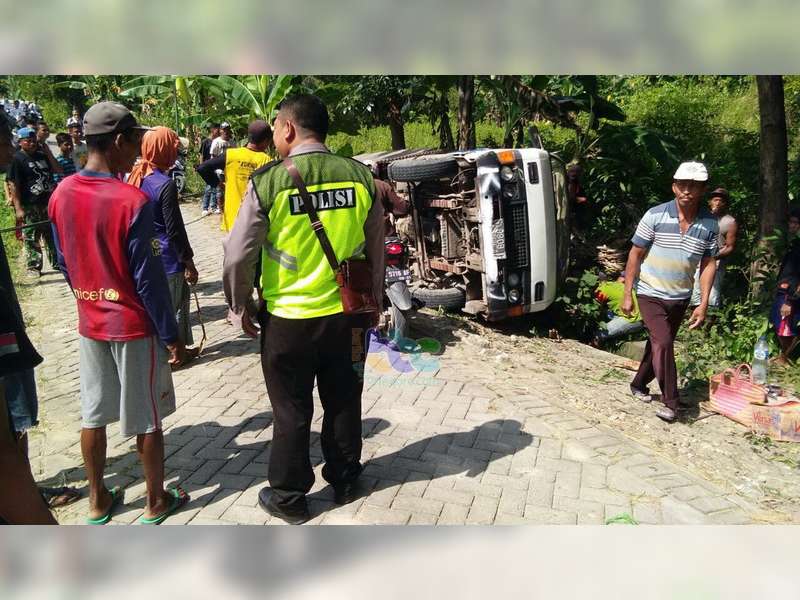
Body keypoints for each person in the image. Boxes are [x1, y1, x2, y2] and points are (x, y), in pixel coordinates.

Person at [222, 94, 384, 524]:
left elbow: (238, 256)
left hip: (288, 322)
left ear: (288, 129)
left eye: (277, 126)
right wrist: (376, 301)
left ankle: (290, 498)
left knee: (292, 410)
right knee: (345, 398)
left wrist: (240, 305)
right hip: (349, 319)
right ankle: (345, 479)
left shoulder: (269, 182)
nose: (276, 133)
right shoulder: (360, 176)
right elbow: (375, 248)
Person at [48, 101, 189, 525]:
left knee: (93, 413)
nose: (137, 151)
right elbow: (148, 280)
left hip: (90, 321)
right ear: (117, 141)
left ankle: (97, 500)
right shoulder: (131, 200)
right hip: (132, 325)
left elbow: (63, 261)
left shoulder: (61, 193)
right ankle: (156, 501)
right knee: (147, 418)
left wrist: (89, 296)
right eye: (134, 142)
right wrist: (171, 334)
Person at [622, 161, 719, 422]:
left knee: (658, 345)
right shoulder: (655, 215)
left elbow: (708, 264)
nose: (687, 190)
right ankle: (671, 403)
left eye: (694, 186)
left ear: (703, 190)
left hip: (680, 296)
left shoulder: (710, 224)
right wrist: (627, 293)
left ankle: (638, 384)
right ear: (674, 187)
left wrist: (703, 302)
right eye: (683, 185)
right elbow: (635, 254)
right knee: (664, 343)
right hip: (650, 293)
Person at [0, 119, 59, 525]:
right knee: (13, 423)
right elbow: (15, 187)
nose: (10, 146)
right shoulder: (19, 163)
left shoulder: (37, 155)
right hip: (4, 338)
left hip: (9, 328)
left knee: (16, 420)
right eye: (5, 139)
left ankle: (28, 485)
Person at [127, 126, 200, 362]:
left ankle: (175, 350)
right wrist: (188, 262)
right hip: (167, 256)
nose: (176, 153)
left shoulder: (135, 177)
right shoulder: (164, 184)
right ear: (164, 149)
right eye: (174, 148)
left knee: (157, 306)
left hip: (144, 255)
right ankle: (173, 353)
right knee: (174, 305)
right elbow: (174, 229)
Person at [196, 119, 273, 232]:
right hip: (254, 223)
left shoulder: (231, 154)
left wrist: (218, 184)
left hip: (232, 221)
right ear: (266, 141)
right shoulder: (267, 161)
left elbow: (202, 168)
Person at [6, 126, 58, 276]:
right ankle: (33, 266)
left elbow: (57, 169)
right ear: (20, 142)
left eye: (34, 140)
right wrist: (18, 208)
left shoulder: (42, 156)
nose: (32, 143)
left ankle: (57, 262)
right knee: (31, 235)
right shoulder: (17, 159)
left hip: (47, 201)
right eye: (28, 141)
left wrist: (48, 152)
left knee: (51, 233)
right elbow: (13, 184)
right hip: (30, 204)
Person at [690, 187, 738, 309]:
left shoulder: (730, 222)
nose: (717, 203)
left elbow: (730, 247)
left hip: (716, 264)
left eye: (721, 201)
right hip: (697, 262)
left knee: (711, 299)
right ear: (710, 202)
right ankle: (695, 319)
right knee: (695, 298)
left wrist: (713, 257)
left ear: (725, 203)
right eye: (715, 200)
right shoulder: (702, 218)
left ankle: (710, 320)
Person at [770, 209, 800, 365]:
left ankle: (785, 358)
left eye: (796, 223)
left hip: (791, 293)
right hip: (784, 290)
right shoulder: (794, 244)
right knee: (780, 324)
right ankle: (784, 356)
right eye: (791, 222)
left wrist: (790, 300)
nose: (792, 225)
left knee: (787, 327)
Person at [593, 272, 643, 344]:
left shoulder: (601, 290)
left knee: (599, 333)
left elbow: (595, 307)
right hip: (640, 317)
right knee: (607, 313)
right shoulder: (620, 286)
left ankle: (593, 345)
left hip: (632, 319)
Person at [198, 122, 220, 216]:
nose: (219, 132)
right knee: (209, 187)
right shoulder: (205, 142)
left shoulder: (218, 141)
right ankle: (206, 207)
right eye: (217, 129)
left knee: (215, 187)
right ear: (212, 130)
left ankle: (213, 206)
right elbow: (201, 155)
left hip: (215, 167)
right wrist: (201, 166)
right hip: (207, 168)